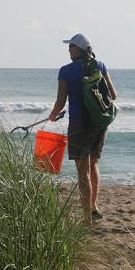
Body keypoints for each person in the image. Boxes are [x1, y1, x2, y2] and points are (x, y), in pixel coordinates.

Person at [49, 33, 117, 224]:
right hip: (99, 123)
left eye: (71, 46)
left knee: (82, 171)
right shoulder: (101, 66)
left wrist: (53, 114)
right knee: (94, 164)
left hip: (78, 123)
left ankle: (87, 217)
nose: (69, 49)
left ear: (79, 49)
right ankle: (94, 206)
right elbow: (113, 94)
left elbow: (61, 100)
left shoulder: (65, 71)